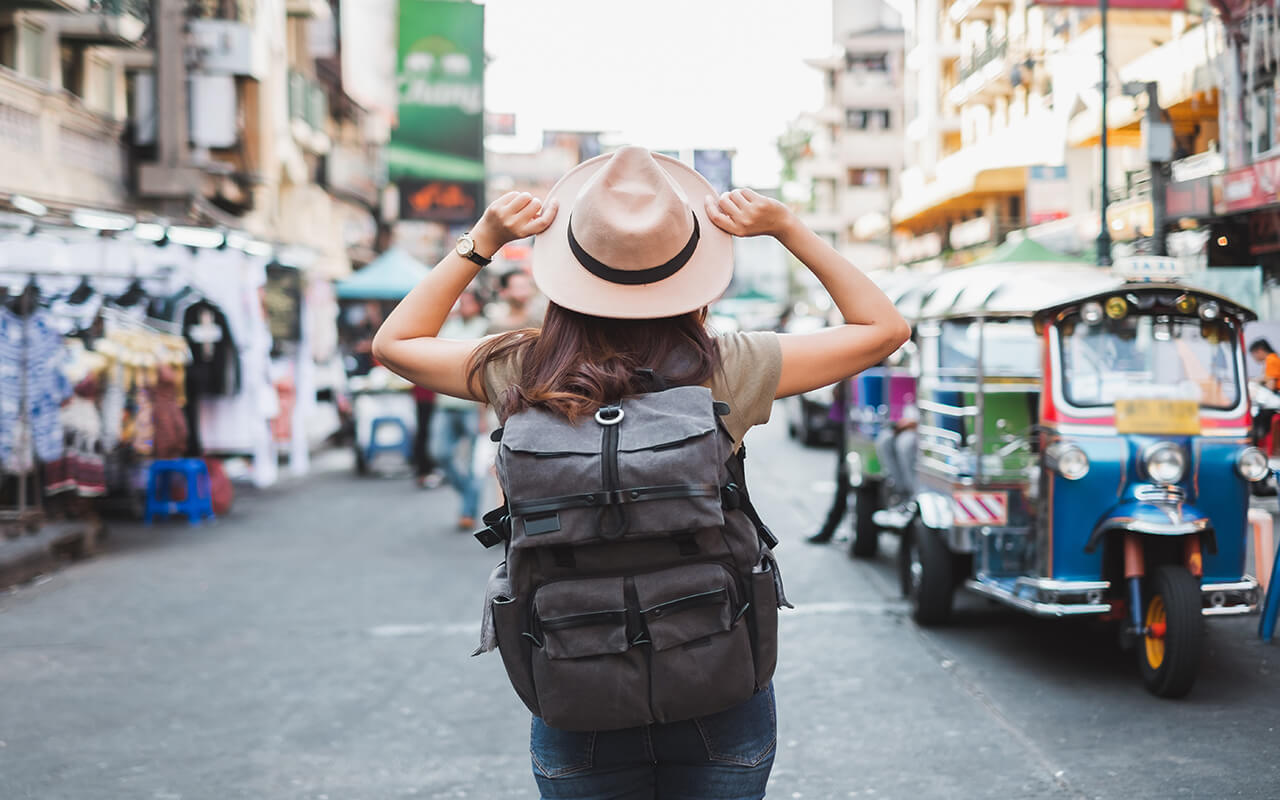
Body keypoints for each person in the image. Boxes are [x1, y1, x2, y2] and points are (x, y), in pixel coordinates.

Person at [372, 147, 908, 799]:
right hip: (718, 674)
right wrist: (789, 229)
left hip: (575, 680)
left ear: (566, 270)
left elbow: (393, 345)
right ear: (691, 273)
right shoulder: (729, 367)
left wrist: (481, 241)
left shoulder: (522, 370)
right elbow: (884, 328)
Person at [430, 291, 489, 528]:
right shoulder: (450, 326)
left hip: (473, 405)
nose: (463, 305)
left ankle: (468, 511)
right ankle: (467, 493)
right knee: (440, 453)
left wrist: (485, 410)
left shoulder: (485, 327)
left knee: (476, 464)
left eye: (468, 302)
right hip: (446, 403)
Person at [488, 268, 544, 332]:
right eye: (519, 287)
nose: (525, 292)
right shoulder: (495, 328)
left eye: (527, 286)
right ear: (503, 292)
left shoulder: (539, 324)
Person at [1249, 338, 1280, 443]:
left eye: (1254, 354)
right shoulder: (1273, 359)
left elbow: (1271, 385)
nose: (1254, 358)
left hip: (1275, 400)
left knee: (1256, 418)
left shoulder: (1271, 360)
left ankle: (1256, 442)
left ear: (1260, 350)